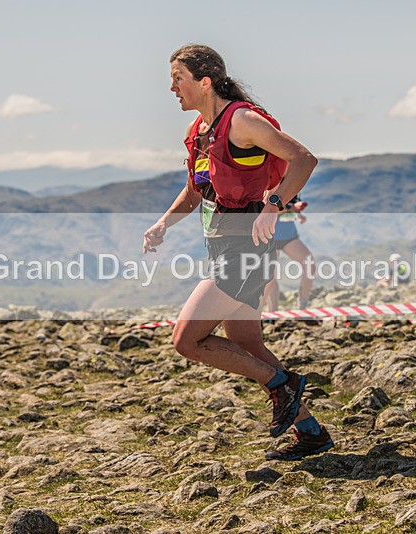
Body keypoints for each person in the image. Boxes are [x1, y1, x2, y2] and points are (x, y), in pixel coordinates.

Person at [143, 44, 333, 461]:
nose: (171, 87)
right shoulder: (200, 131)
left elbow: (303, 159)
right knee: (246, 344)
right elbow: (196, 191)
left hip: (247, 250)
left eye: (178, 78)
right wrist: (162, 224)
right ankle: (311, 431)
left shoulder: (242, 121)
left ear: (205, 81)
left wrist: (274, 204)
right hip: (224, 247)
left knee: (187, 339)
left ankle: (282, 386)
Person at [262, 195, 315, 312]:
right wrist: (292, 209)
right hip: (270, 236)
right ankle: (265, 314)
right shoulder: (272, 180)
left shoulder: (293, 181)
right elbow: (269, 206)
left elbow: (292, 206)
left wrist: (298, 214)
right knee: (270, 278)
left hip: (288, 235)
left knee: (310, 265)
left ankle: (302, 309)